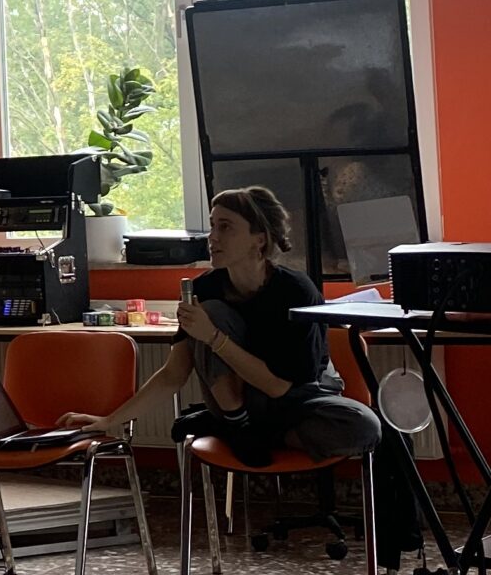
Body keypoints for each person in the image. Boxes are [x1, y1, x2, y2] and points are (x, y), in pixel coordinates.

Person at [64, 186, 382, 467]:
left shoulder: (295, 290)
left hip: (300, 401)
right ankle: (237, 423)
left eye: (226, 227)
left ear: (259, 239)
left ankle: (240, 430)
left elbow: (279, 388)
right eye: (213, 226)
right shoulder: (205, 289)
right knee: (213, 310)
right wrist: (109, 420)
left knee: (363, 427)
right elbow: (173, 374)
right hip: (241, 401)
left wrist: (214, 338)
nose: (213, 237)